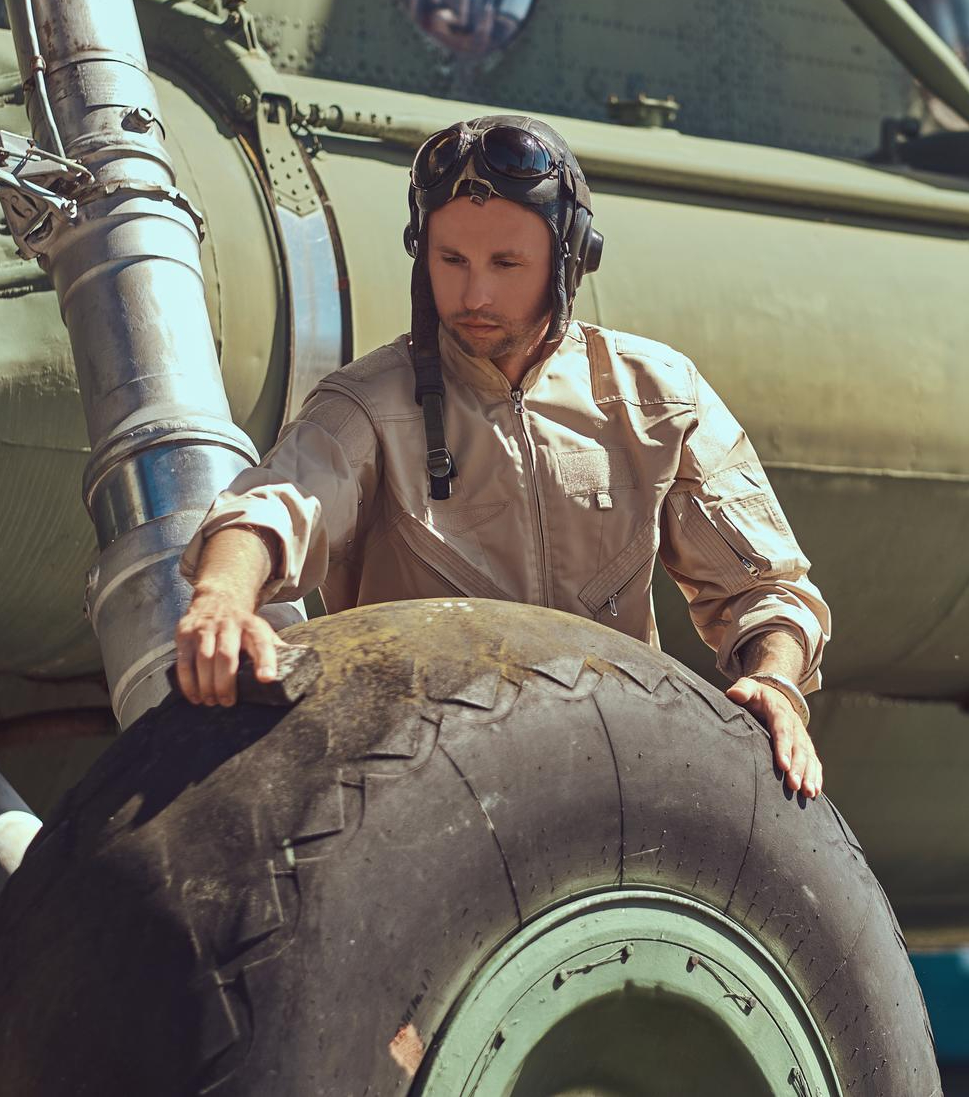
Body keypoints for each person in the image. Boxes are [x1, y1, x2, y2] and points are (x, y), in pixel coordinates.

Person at [174, 114, 829, 797]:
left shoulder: (657, 397)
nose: (474, 295)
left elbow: (768, 587)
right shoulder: (369, 403)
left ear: (570, 256)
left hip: (616, 776)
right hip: (420, 783)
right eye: (451, 260)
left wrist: (775, 679)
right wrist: (222, 596)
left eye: (507, 264)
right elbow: (274, 503)